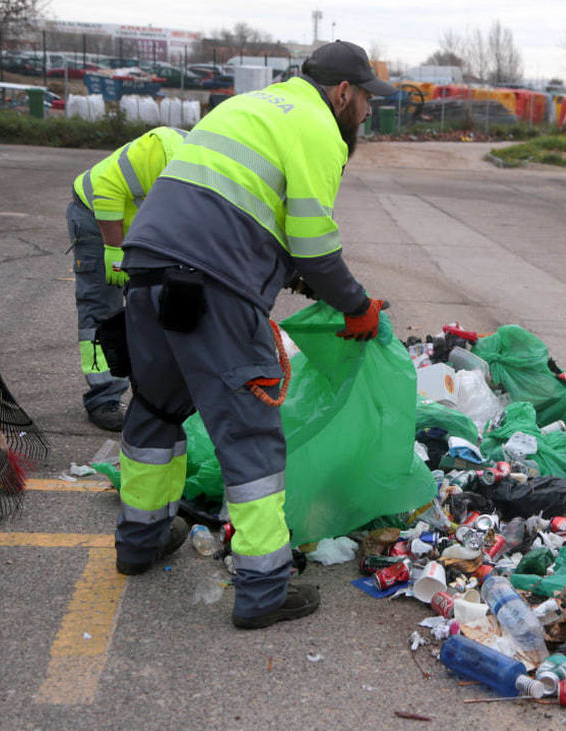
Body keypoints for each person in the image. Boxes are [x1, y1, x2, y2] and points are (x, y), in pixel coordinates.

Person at [113, 40, 395, 629]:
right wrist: (356, 306)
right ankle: (263, 589)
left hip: (146, 272)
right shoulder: (319, 128)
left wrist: (316, 286)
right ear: (343, 93)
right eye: (367, 99)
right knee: (251, 437)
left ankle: (139, 543)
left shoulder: (252, 107)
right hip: (213, 287)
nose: (369, 111)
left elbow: (259, 225)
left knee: (157, 412)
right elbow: (315, 247)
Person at [67, 126, 188, 431]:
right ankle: (103, 397)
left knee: (149, 306)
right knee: (101, 308)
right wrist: (113, 249)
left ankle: (155, 395)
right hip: (96, 218)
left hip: (141, 230)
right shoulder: (159, 151)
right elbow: (106, 187)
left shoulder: (208, 169)